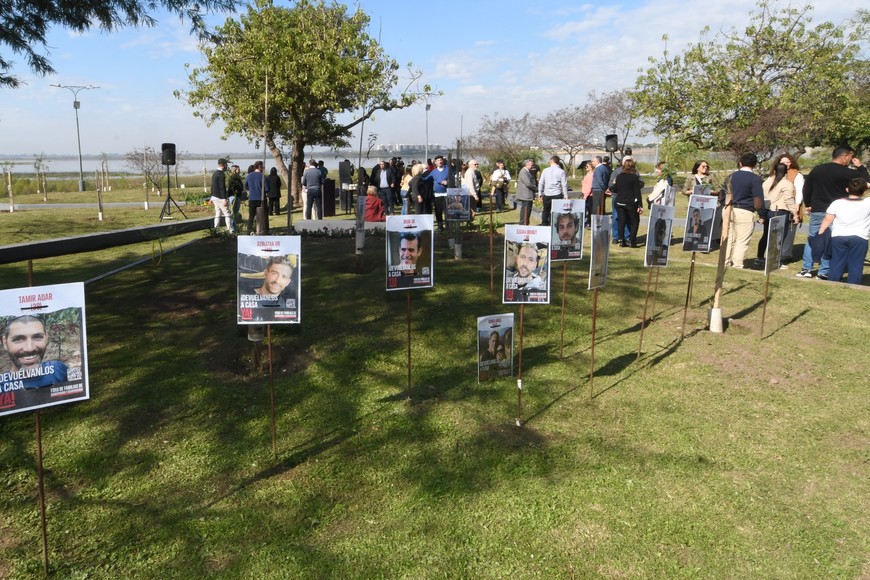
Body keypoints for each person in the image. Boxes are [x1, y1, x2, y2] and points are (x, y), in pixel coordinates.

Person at [798, 145, 869, 279]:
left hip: (817, 209)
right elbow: (865, 182)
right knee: (829, 240)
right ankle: (823, 270)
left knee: (813, 238)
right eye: (851, 157)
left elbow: (807, 188)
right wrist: (860, 167)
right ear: (845, 156)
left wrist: (808, 204)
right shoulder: (847, 173)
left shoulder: (818, 169)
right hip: (836, 210)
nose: (851, 160)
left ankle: (806, 268)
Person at [818, 178, 870, 284]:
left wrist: (821, 232)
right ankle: (854, 285)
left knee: (836, 262)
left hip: (839, 236)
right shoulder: (867, 203)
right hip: (860, 237)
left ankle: (833, 282)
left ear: (847, 189)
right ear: (864, 192)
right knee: (856, 263)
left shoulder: (837, 203)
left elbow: (828, 219)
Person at [1, 314, 68, 388]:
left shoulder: (58, 369)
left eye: (37, 337)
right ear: (5, 343)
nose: (29, 348)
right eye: (19, 339)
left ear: (46, 338)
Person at [724, 153, 764, 269]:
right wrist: (761, 214)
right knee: (742, 240)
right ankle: (737, 264)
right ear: (755, 165)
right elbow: (758, 198)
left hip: (728, 209)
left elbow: (723, 194)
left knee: (729, 238)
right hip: (745, 210)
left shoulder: (730, 176)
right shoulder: (755, 179)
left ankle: (725, 261)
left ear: (740, 163)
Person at [755, 163, 799, 267]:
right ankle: (774, 261)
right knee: (778, 237)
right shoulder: (786, 184)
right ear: (786, 172)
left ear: (774, 170)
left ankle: (760, 257)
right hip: (780, 211)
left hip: (768, 211)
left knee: (766, 235)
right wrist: (795, 213)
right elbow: (789, 200)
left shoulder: (767, 182)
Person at [611, 158, 644, 247]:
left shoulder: (619, 177)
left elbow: (614, 189)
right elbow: (637, 192)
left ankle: (622, 240)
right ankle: (632, 241)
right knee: (635, 222)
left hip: (619, 202)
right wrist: (640, 205)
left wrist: (614, 184)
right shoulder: (634, 178)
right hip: (630, 202)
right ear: (633, 167)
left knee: (621, 221)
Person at [422, 155, 453, 232]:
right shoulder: (434, 172)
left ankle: (448, 226)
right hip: (437, 194)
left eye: (441, 160)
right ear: (435, 162)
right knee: (438, 211)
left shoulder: (448, 169)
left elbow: (453, 179)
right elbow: (426, 179)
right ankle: (440, 225)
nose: (440, 161)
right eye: (438, 160)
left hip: (446, 194)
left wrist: (448, 182)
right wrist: (418, 176)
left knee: (447, 211)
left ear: (443, 161)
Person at [537, 155, 568, 226]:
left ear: (551, 161)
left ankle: (544, 224)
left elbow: (541, 182)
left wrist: (540, 193)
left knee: (546, 210)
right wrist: (566, 195)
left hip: (547, 193)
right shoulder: (561, 171)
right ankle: (555, 225)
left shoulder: (545, 170)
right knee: (557, 211)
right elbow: (564, 184)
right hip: (557, 193)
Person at [210, 158, 235, 233]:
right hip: (220, 198)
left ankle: (216, 229)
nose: (227, 166)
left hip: (214, 197)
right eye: (226, 164)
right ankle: (231, 230)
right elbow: (222, 187)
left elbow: (212, 186)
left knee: (218, 213)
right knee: (227, 214)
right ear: (223, 165)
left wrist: (211, 196)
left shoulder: (215, 173)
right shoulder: (221, 174)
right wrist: (224, 199)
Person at [245, 161, 269, 234]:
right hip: (261, 199)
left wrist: (251, 189)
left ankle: (249, 230)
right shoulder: (263, 176)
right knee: (264, 216)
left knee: (251, 216)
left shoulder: (249, 176)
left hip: (252, 198)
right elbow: (267, 189)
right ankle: (265, 230)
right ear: (259, 167)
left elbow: (246, 186)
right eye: (262, 166)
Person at [515, 159, 537, 226]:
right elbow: (528, 183)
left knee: (527, 212)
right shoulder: (523, 172)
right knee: (525, 212)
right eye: (532, 165)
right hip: (525, 196)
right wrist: (536, 188)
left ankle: (525, 224)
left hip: (527, 195)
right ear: (527, 164)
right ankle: (523, 224)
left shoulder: (527, 171)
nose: (533, 166)